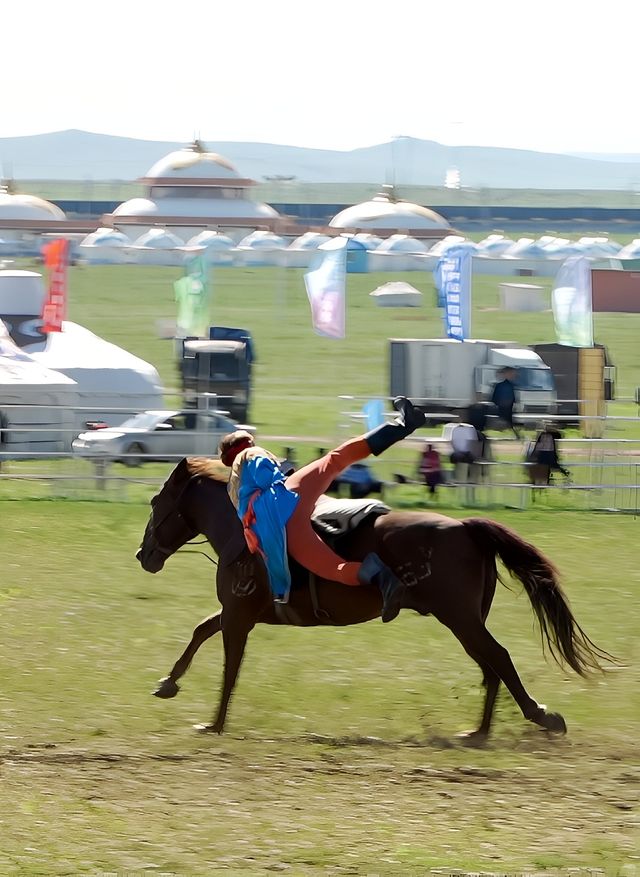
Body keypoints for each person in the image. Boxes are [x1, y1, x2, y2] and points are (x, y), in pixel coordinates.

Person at [219, 397, 426, 623]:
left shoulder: (234, 485)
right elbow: (268, 476)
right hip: (286, 498)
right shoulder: (250, 455)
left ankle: (384, 578)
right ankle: (404, 424)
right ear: (245, 444)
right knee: (335, 460)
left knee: (335, 568)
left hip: (280, 532)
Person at [491, 367, 520, 438]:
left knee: (507, 421)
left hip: (505, 407)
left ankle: (512, 434)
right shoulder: (505, 385)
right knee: (507, 421)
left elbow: (495, 397)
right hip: (505, 406)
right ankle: (513, 435)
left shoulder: (506, 385)